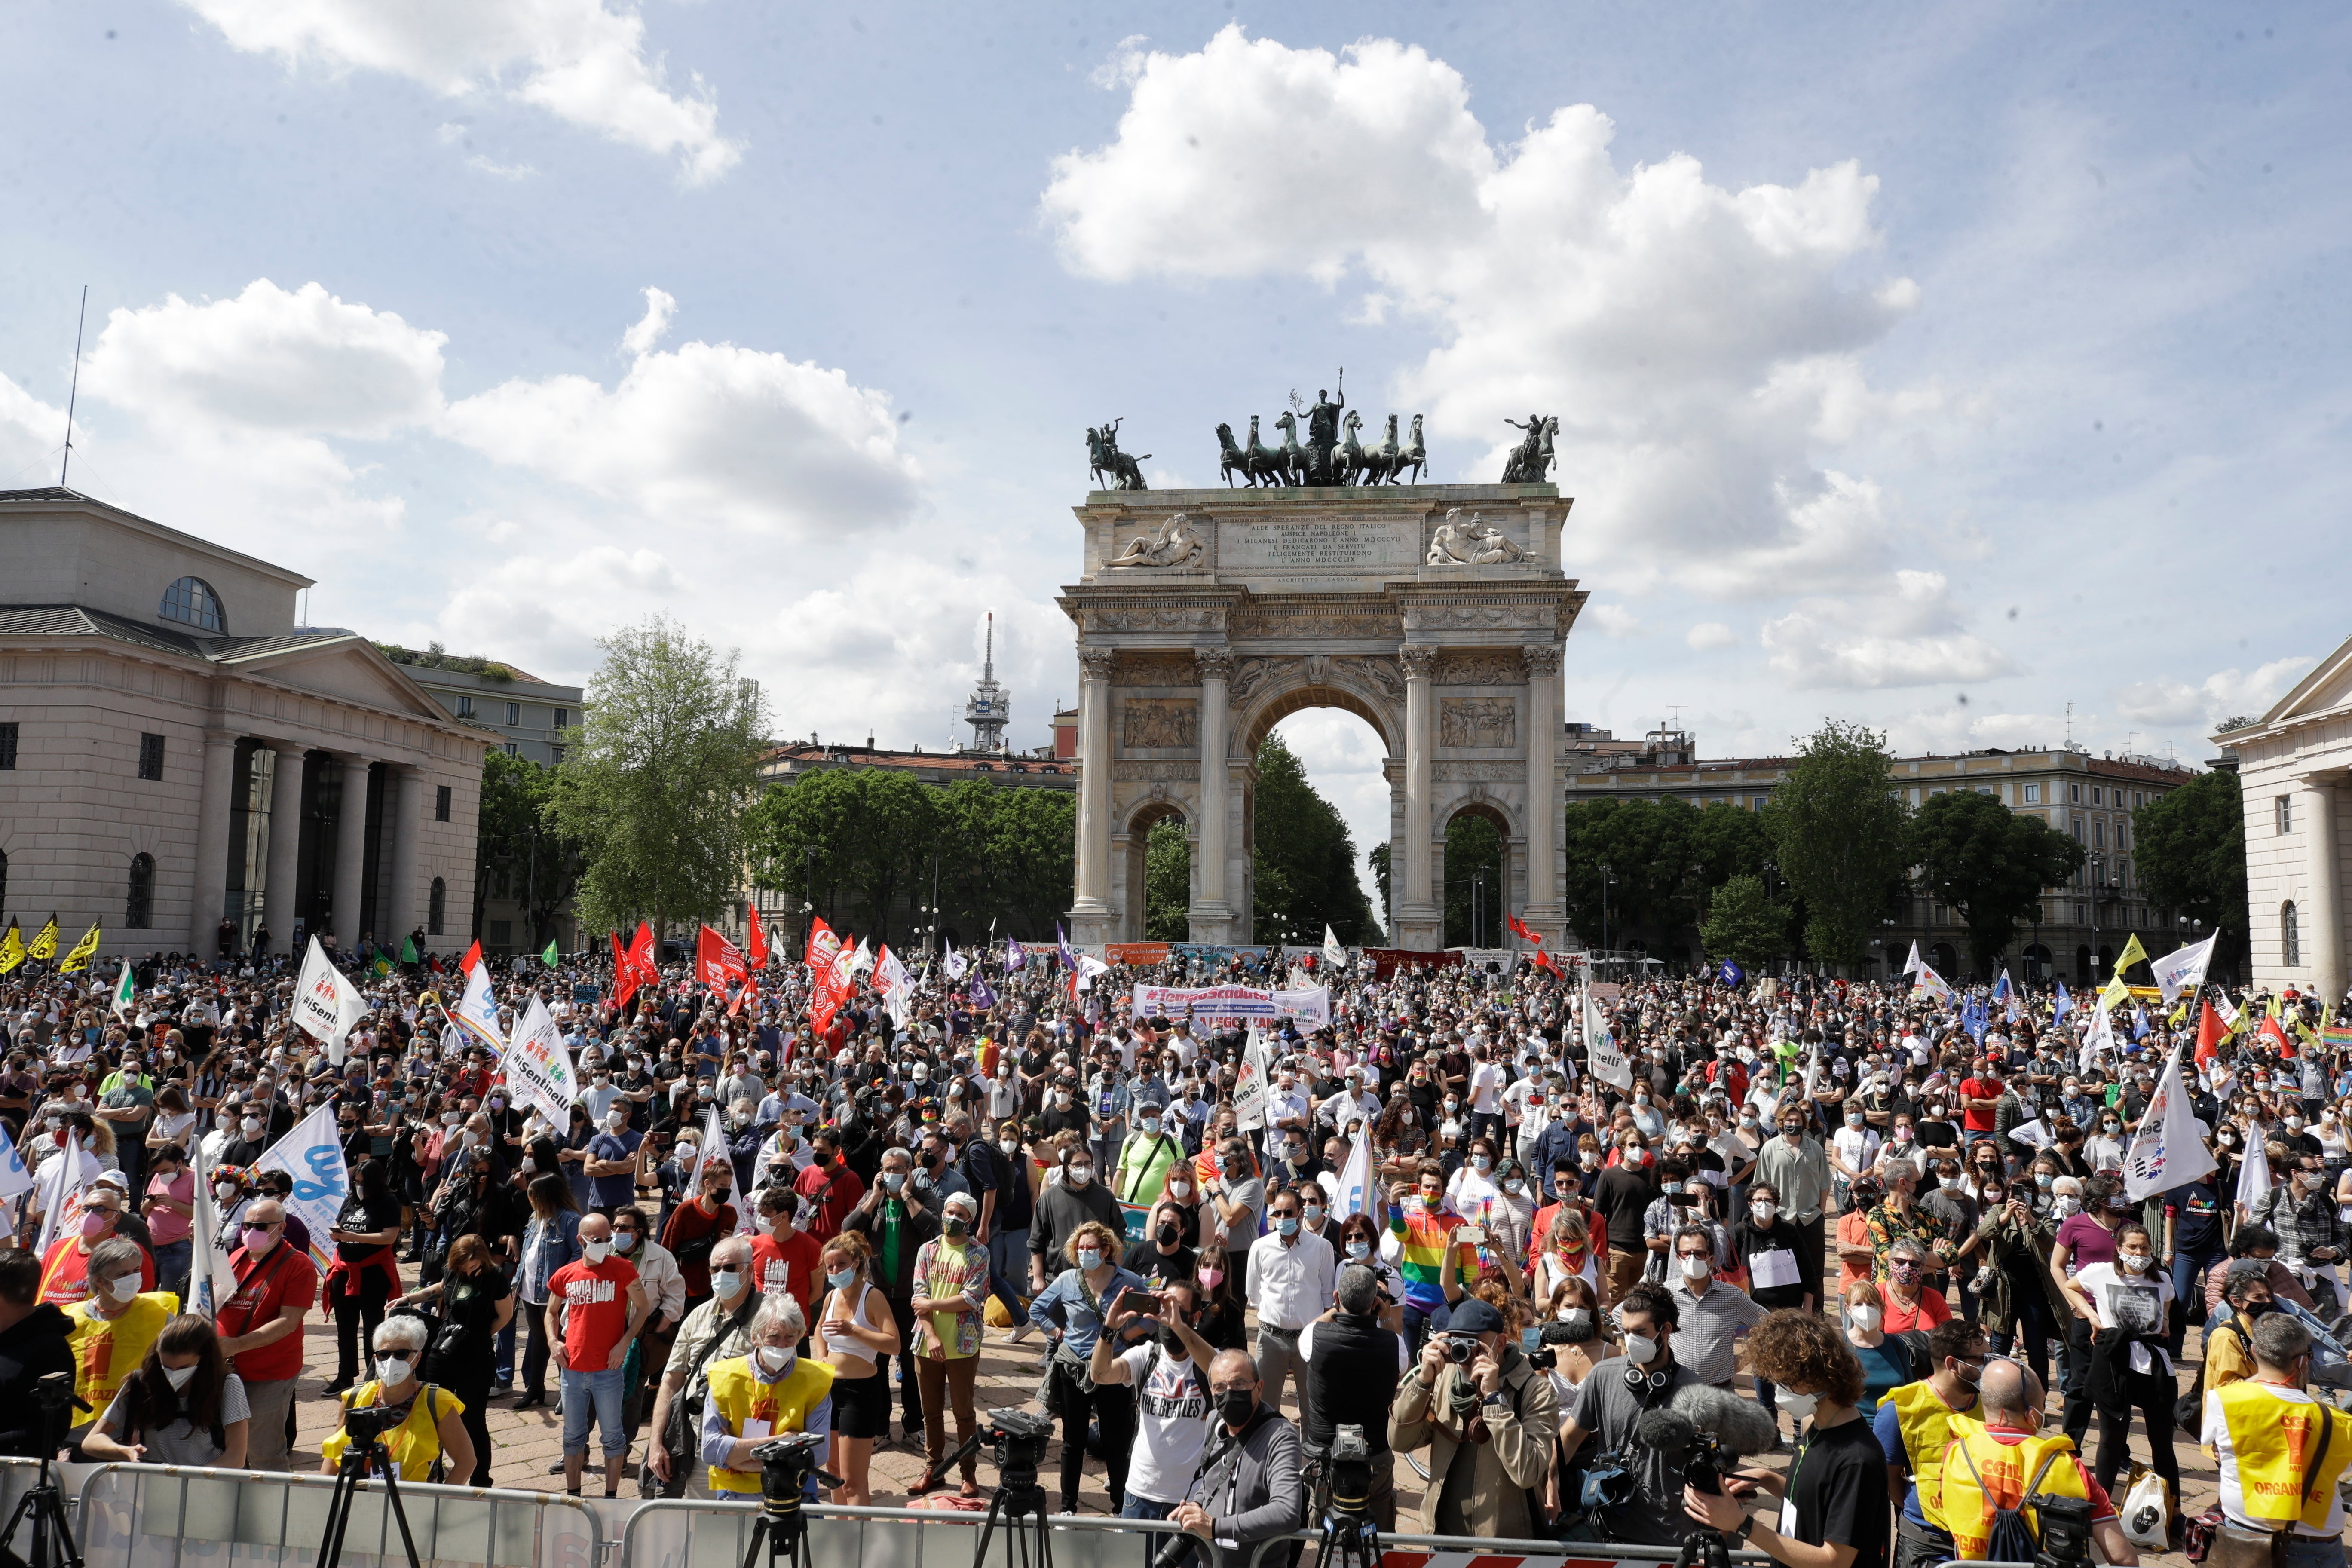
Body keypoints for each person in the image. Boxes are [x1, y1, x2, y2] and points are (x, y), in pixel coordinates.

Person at [1679, 1309, 1890, 1568]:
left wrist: (1742, 1525)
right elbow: (1814, 1502)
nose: (1779, 1390)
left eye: (1786, 1381)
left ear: (1819, 1377)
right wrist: (1765, 1478)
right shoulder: (1816, 1425)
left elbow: (1835, 1561)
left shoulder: (1857, 1461)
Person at [1937, 1357, 2138, 1566]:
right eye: (2043, 1403)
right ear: (2033, 1415)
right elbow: (2122, 1557)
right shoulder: (2070, 1467)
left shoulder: (1955, 1453)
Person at [1390, 1294, 1558, 1537]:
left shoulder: (1535, 1391)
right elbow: (1399, 1441)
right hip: (1443, 1536)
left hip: (1503, 1543)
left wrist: (1494, 1400)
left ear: (1500, 1343)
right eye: (1458, 1343)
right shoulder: (1446, 1379)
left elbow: (1527, 1472)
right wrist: (1423, 1381)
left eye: (1475, 1344)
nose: (1464, 1354)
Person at [1554, 1281, 1700, 1545]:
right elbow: (1569, 1438)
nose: (1631, 1340)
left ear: (1665, 1331)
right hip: (1613, 1527)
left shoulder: (1693, 1389)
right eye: (1626, 1332)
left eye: (1640, 1332)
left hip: (1671, 1535)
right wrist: (1547, 1481)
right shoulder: (1602, 1376)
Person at [2202, 1311, 2352, 1567]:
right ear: (2303, 1362)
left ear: (2254, 1351)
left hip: (2244, 1535)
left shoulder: (2223, 1401)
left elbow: (2210, 1442)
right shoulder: (2339, 1422)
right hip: (2315, 1546)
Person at [1030, 1219, 1150, 1514]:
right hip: (1074, 1370)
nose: (1085, 1253)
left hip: (1113, 1370)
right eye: (1081, 1248)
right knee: (1073, 1441)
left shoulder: (1129, 1281)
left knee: (1116, 1442)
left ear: (1106, 1249)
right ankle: (1068, 1506)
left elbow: (1150, 1316)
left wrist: (1124, 1335)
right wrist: (1057, 1333)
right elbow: (1037, 1309)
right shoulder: (1068, 1279)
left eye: (1091, 1248)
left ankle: (1121, 1506)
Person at [2061, 1219, 2180, 1503]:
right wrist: (2091, 1317)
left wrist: (2164, 1320)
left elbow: (2168, 1302)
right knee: (2111, 1440)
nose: (2139, 1254)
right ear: (2119, 1249)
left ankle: (2173, 1509)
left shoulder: (2162, 1278)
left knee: (2162, 1442)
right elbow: (2070, 1287)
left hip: (2153, 1363)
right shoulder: (2100, 1273)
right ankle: (2101, 1503)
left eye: (2145, 1248)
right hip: (2113, 1361)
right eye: (2133, 1247)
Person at [389, 1233, 513, 1485]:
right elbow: (440, 1288)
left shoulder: (495, 1277)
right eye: (463, 1267)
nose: (468, 1271)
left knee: (473, 1419)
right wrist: (409, 1298)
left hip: (476, 1355)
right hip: (444, 1348)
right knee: (433, 1412)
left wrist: (479, 1336)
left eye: (473, 1267)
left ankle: (480, 1481)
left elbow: (506, 1315)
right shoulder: (453, 1270)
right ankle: (435, 1474)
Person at [1091, 1279, 1216, 1523]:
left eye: (1178, 1311)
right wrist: (1108, 1330)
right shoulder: (1147, 1356)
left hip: (1189, 1500)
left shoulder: (1207, 1361)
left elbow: (1218, 1369)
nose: (1169, 1318)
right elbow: (1100, 1374)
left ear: (1196, 1316)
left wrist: (1180, 1327)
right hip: (1140, 1494)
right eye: (1164, 1308)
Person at [548, 1211, 653, 1498]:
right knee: (572, 1438)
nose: (606, 1243)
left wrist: (624, 1342)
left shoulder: (622, 1269)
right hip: (573, 1368)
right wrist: (553, 1341)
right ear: (581, 1240)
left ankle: (611, 1496)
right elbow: (551, 1311)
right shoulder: (567, 1274)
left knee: (613, 1437)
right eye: (599, 1239)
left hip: (608, 1370)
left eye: (609, 1238)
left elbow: (643, 1307)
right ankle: (574, 1495)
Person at [646, 1235, 760, 1499]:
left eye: (730, 1268)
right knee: (700, 1524)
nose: (721, 1274)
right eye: (715, 1269)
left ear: (750, 1271)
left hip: (747, 1444)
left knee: (747, 1527)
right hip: (700, 1443)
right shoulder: (697, 1316)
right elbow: (672, 1381)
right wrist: (655, 1444)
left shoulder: (769, 1314)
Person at [1168, 1348, 1302, 1568]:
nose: (1229, 1393)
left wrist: (1215, 1526)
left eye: (1240, 1384)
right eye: (1220, 1387)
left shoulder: (1280, 1436)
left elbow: (1286, 1511)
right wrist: (1195, 1506)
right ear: (1211, 1392)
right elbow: (1212, 1481)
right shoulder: (1214, 1421)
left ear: (1259, 1388)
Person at [842, 1145, 939, 1443]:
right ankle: (880, 1428)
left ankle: (913, 1426)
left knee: (912, 1364)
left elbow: (933, 1227)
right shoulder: (876, 1201)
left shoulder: (923, 1196)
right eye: (889, 1169)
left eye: (899, 1169)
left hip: (913, 1296)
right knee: (878, 1364)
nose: (894, 1174)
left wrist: (908, 1196)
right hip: (879, 1295)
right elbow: (848, 1229)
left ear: (910, 1172)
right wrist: (874, 1197)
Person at [1871, 1318, 1987, 1568]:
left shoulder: (1993, 1403)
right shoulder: (1900, 1410)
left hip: (1984, 1538)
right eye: (1979, 1359)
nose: (1987, 1367)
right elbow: (1888, 1480)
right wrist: (1920, 1512)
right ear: (1952, 1364)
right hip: (1928, 1543)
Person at [213, 1197, 316, 1471]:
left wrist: (235, 1345)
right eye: (247, 1225)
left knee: (263, 1451)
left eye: (260, 1226)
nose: (251, 1232)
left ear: (281, 1228)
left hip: (269, 1372)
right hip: (225, 1368)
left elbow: (288, 1322)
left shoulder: (299, 1265)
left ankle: (273, 1507)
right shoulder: (236, 1257)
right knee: (226, 1445)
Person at [698, 1293, 835, 1497]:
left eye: (790, 1337)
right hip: (735, 1494)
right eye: (774, 1337)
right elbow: (710, 1450)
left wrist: (742, 1459)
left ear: (799, 1337)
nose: (782, 1345)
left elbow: (818, 1453)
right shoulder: (724, 1377)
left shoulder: (816, 1380)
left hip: (795, 1493)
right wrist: (786, 1441)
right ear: (756, 1337)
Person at [1300, 1263, 1404, 1528]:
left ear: (1337, 1298)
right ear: (1375, 1302)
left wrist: (1337, 1309)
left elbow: (1306, 1333)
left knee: (1325, 1538)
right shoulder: (1393, 1345)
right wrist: (1386, 1316)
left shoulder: (1315, 1337)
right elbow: (1402, 1360)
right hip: (1375, 1457)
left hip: (1325, 1457)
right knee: (1378, 1538)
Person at [317, 1315, 476, 1482]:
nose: (391, 1361)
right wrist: (324, 1496)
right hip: (360, 1500)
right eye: (384, 1354)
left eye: (402, 1354)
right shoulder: (354, 1398)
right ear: (375, 1358)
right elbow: (334, 1456)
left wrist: (439, 1504)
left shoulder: (436, 1402)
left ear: (417, 1358)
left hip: (413, 1502)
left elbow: (466, 1460)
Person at [80, 1313, 250, 1468]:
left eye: (184, 1367)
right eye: (166, 1367)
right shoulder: (141, 1383)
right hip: (153, 1486)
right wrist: (124, 1451)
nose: (174, 1374)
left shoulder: (227, 1386)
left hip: (206, 1487)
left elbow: (236, 1458)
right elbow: (91, 1442)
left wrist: (186, 1479)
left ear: (204, 1357)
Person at [908, 1189, 987, 1499]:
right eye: (950, 1212)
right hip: (927, 1343)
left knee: (964, 1411)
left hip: (963, 1344)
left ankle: (968, 1470)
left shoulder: (978, 1253)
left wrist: (932, 1304)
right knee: (931, 1412)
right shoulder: (927, 1251)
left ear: (970, 1220)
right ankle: (934, 1469)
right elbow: (918, 1299)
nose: (953, 1219)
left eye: (961, 1215)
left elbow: (971, 1298)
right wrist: (930, 1333)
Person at [62, 1237, 179, 1444]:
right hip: (75, 1431)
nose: (133, 1278)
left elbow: (174, 1374)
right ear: (100, 1281)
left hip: (134, 1431)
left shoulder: (160, 1316)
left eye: (136, 1271)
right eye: (123, 1274)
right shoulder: (69, 1319)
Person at [815, 1231, 898, 1506]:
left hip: (860, 1393)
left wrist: (853, 1330)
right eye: (830, 1266)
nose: (835, 1271)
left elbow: (894, 1344)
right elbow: (818, 1330)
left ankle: (861, 1542)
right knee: (834, 1473)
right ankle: (842, 1536)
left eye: (840, 1264)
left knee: (853, 1481)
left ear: (857, 1263)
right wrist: (822, 1357)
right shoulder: (832, 1297)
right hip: (830, 1391)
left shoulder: (872, 1297)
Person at [1246, 1186, 1337, 1433]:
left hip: (1309, 1340)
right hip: (1271, 1338)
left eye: (1289, 1213)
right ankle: (1267, 1465)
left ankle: (1311, 1465)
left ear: (1300, 1214)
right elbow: (1253, 1295)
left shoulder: (1322, 1248)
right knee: (1265, 1409)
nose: (1283, 1218)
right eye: (1278, 1213)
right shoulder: (1260, 1248)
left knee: (1312, 1410)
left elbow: (1328, 1296)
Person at [323, 1157, 405, 1397]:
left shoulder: (388, 1202)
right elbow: (339, 1224)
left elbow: (389, 1237)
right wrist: (338, 1235)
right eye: (355, 1182)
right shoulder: (351, 1200)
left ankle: (375, 1376)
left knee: (373, 1327)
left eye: (362, 1182)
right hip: (345, 1272)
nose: (358, 1186)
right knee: (345, 1328)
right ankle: (344, 1375)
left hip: (373, 1273)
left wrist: (355, 1237)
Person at [514, 1171, 582, 1410]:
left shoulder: (571, 1221)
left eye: (533, 1196)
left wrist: (560, 1281)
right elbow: (528, 1254)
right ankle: (535, 1388)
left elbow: (578, 1255)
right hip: (530, 1292)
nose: (530, 1200)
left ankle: (568, 1392)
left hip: (555, 1295)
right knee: (539, 1339)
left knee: (561, 1342)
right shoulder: (535, 1219)